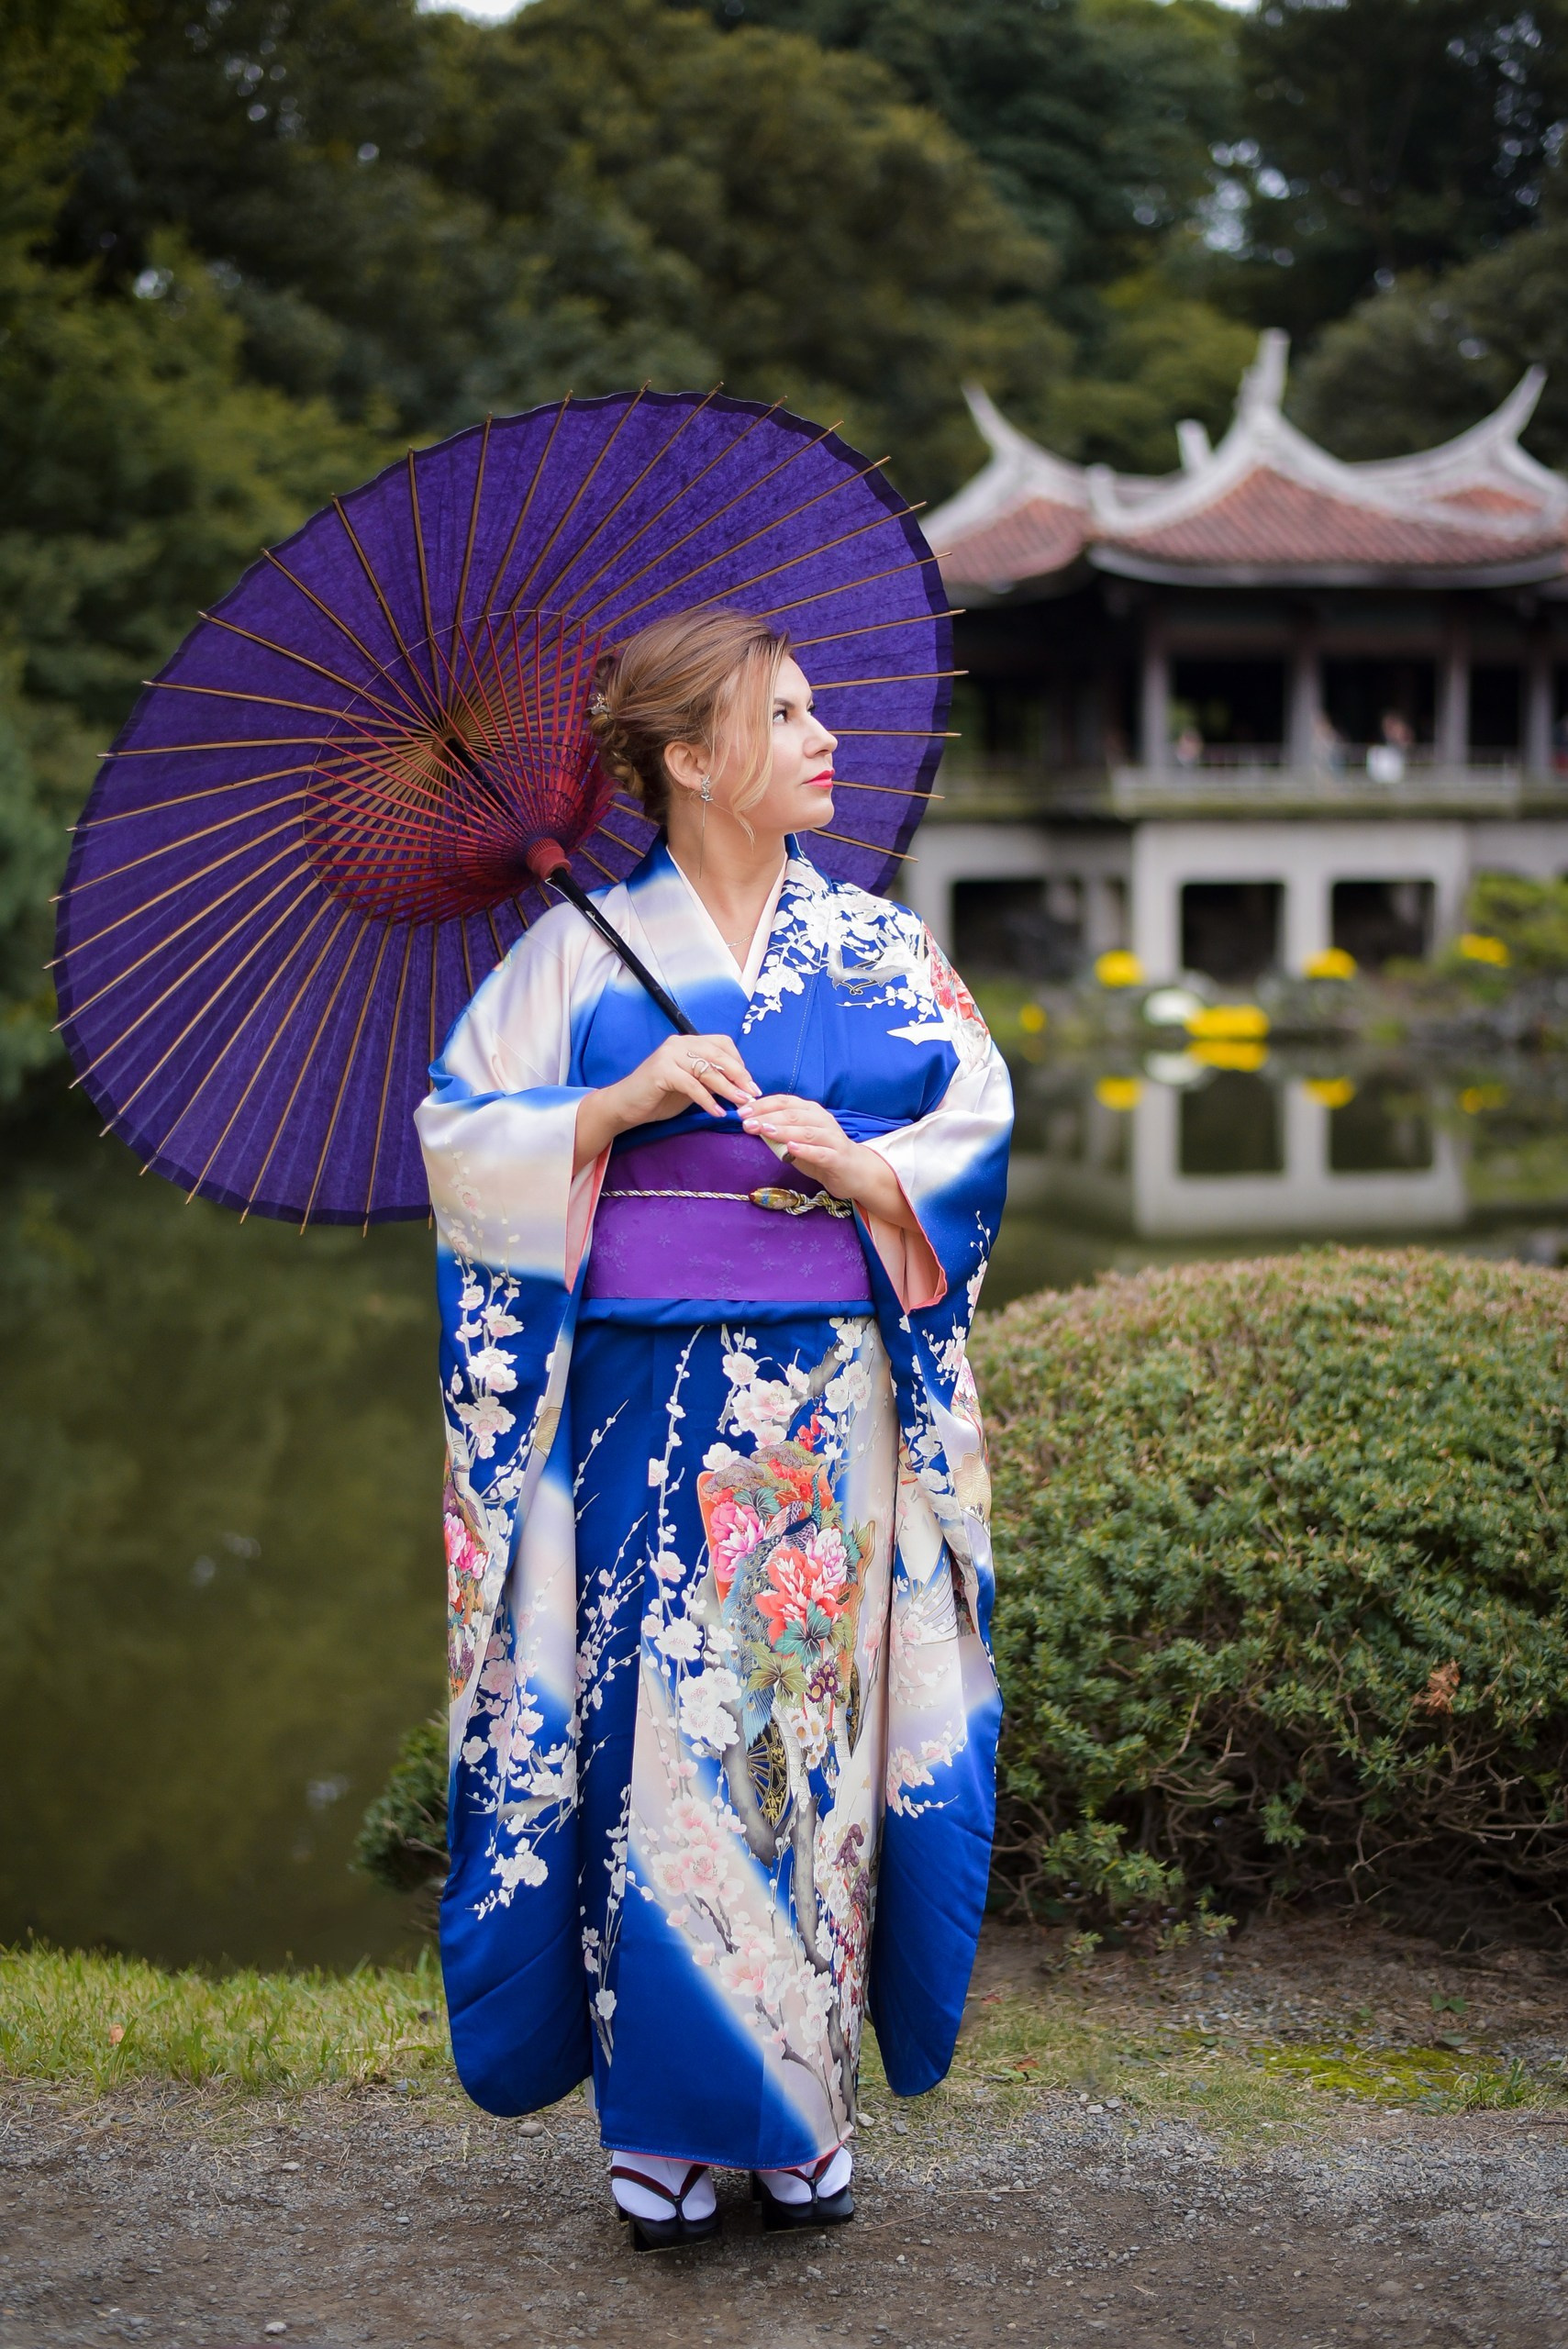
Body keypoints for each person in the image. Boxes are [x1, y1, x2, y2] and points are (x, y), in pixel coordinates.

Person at [416, 607, 1013, 2249]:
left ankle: (799, 2100)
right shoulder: (564, 956)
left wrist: (865, 1168)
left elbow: (975, 1124)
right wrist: (606, 1108)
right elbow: (462, 1145)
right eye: (788, 714)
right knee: (653, 1743)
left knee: (808, 1738)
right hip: (633, 1398)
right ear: (690, 760)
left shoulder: (885, 951)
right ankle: (670, 2121)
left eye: (823, 711)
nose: (829, 739)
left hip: (824, 1404)